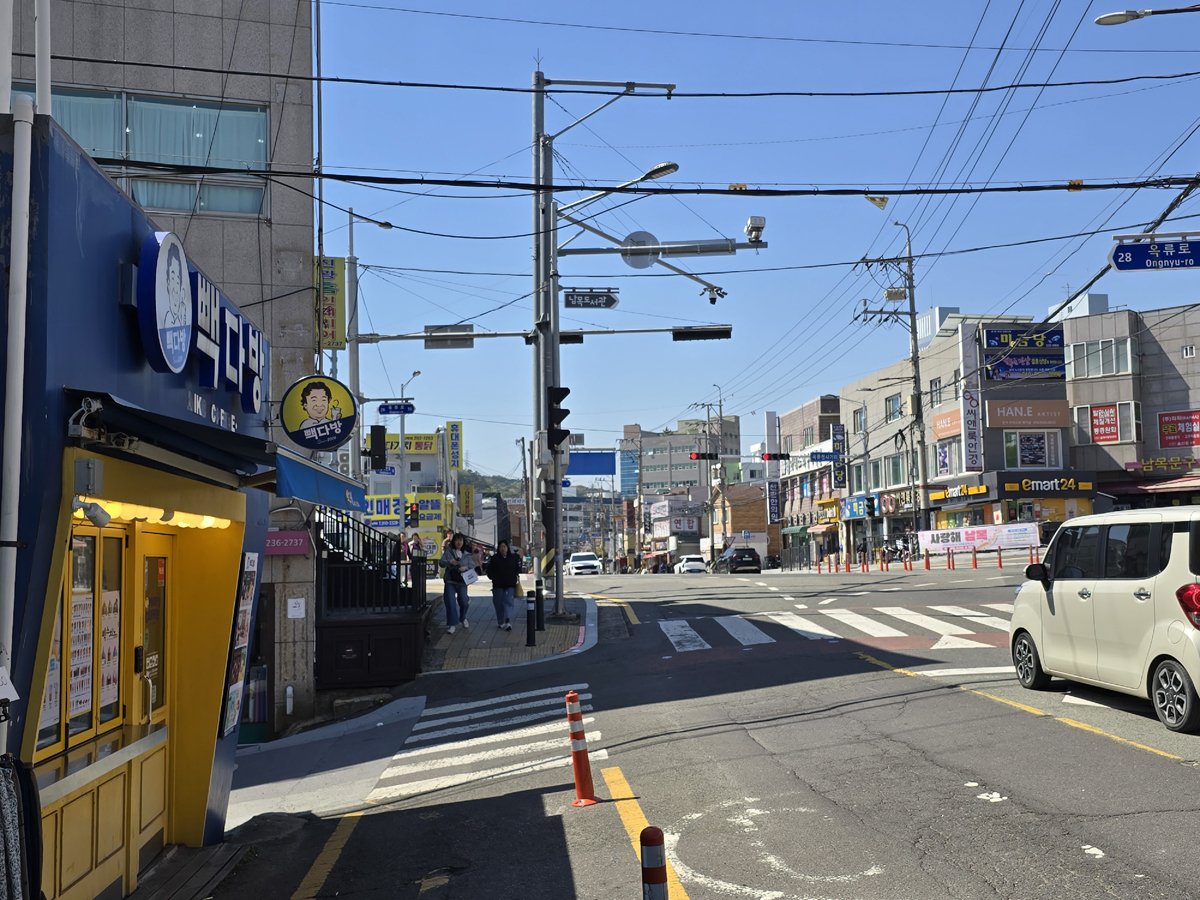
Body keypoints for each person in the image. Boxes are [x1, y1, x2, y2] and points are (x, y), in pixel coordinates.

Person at [439, 532, 473, 634]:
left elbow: (472, 566)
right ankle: (452, 624)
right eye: (457, 540)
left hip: (462, 581)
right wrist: (449, 562)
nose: (459, 542)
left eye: (461, 540)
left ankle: (463, 618)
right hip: (450, 580)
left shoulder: (466, 554)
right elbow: (441, 563)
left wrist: (465, 568)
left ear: (463, 542)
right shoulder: (449, 552)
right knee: (450, 602)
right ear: (453, 541)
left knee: (464, 602)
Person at [486, 540, 520, 631]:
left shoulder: (512, 558)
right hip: (498, 585)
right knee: (498, 603)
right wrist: (493, 578)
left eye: (504, 546)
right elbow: (489, 571)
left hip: (510, 584)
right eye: (501, 547)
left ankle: (508, 620)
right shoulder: (495, 558)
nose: (503, 548)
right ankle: (501, 621)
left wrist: (514, 576)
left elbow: (517, 569)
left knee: (508, 602)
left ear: (507, 548)